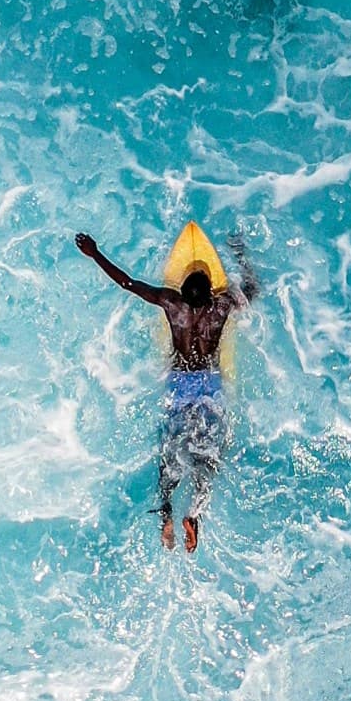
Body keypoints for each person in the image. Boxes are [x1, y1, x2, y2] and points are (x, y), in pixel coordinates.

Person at [76, 228, 259, 551]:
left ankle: (166, 511)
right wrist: (239, 252)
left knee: (171, 447)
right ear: (210, 291)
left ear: (183, 293)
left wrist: (95, 253)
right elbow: (252, 290)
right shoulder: (221, 306)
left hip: (180, 383)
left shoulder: (172, 304)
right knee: (209, 453)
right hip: (209, 384)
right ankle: (194, 516)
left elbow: (128, 283)